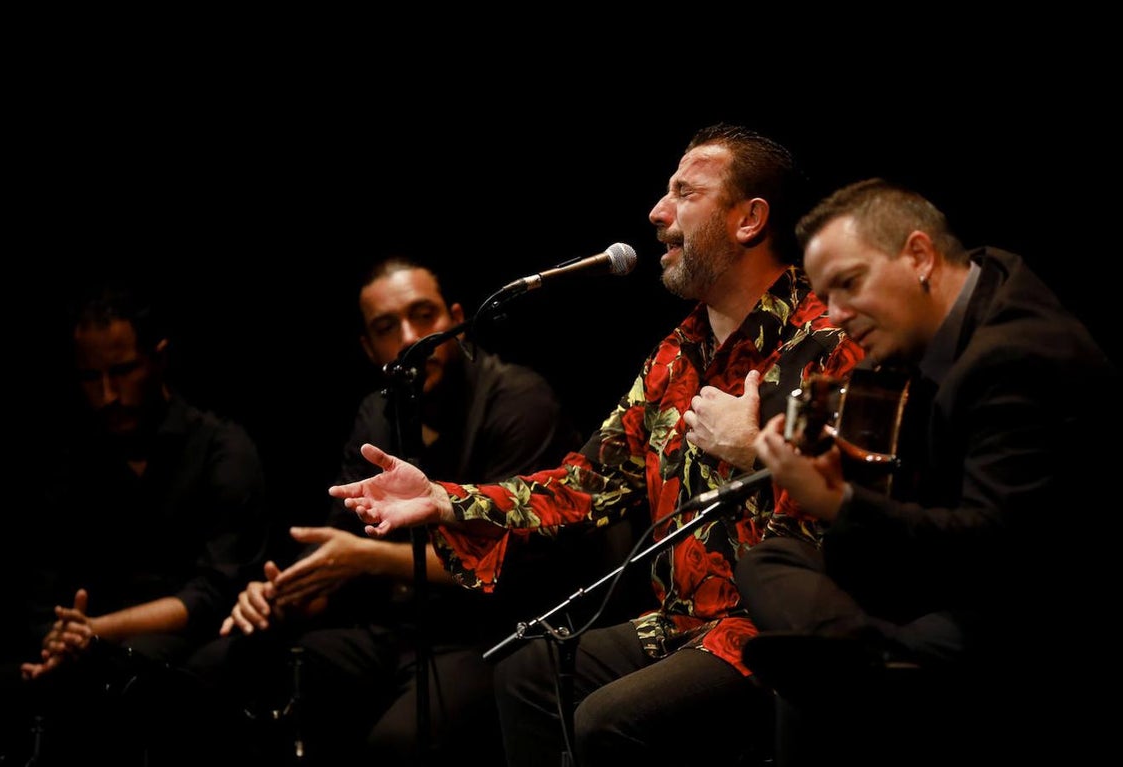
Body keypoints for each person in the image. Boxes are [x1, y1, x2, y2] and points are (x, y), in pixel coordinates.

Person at [328, 123, 866, 767]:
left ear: (749, 219)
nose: (656, 212)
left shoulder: (830, 340)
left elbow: (867, 502)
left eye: (683, 193)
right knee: (527, 673)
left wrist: (757, 448)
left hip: (775, 630)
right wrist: (443, 500)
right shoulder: (675, 355)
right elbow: (586, 483)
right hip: (682, 624)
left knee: (607, 721)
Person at [734, 178, 1120, 766]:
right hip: (949, 581)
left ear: (919, 256)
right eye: (825, 295)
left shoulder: (1016, 356)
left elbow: (996, 549)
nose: (835, 316)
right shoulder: (963, 308)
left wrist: (839, 503)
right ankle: (858, 659)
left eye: (849, 284)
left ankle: (864, 666)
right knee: (768, 559)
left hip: (1030, 613)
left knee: (808, 686)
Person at [184, 256, 589, 767]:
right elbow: (340, 549)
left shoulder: (519, 403)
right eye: (386, 327)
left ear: (458, 319)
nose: (409, 337)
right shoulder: (377, 413)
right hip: (393, 632)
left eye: (423, 316)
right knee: (216, 669)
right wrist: (280, 594)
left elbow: (512, 560)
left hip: (494, 634)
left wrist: (364, 559)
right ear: (369, 348)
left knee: (395, 745)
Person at [0, 279, 271, 766]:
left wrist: (94, 631)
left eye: (123, 371)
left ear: (159, 358)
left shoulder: (222, 449)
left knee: (134, 673)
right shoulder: (71, 460)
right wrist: (57, 637)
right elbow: (41, 582)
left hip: (186, 648)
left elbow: (214, 591)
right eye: (91, 378)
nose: (107, 393)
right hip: (83, 647)